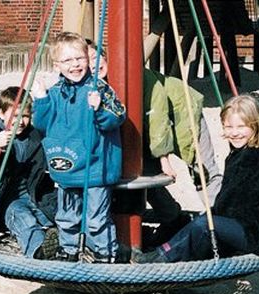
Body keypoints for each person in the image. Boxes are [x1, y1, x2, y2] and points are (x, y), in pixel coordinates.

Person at [131, 94, 259, 263]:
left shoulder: (257, 158)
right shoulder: (241, 154)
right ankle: (165, 251)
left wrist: (212, 217)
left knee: (204, 225)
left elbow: (236, 203)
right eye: (228, 127)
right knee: (202, 221)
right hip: (256, 223)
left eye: (241, 127)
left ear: (255, 126)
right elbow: (231, 197)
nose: (234, 133)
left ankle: (159, 258)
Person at [87, 43, 222, 247]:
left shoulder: (136, 76)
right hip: (146, 127)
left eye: (95, 57)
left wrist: (164, 158)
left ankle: (218, 223)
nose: (92, 65)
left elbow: (157, 115)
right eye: (86, 61)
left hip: (181, 111)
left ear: (105, 56)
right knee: (143, 172)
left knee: (201, 168)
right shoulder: (97, 86)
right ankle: (172, 218)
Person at [31, 32, 126, 263]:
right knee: (66, 216)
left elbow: (118, 117)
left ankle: (105, 255)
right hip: (66, 167)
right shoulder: (54, 94)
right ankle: (69, 250)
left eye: (79, 59)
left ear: (88, 58)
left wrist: (100, 108)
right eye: (67, 61)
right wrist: (41, 99)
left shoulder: (99, 89)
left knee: (96, 218)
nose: (75, 65)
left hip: (95, 169)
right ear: (56, 65)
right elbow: (41, 125)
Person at [0, 86, 58, 260]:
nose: (20, 121)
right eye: (15, 116)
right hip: (7, 202)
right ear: (1, 113)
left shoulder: (34, 135)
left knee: (60, 210)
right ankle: (38, 250)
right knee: (23, 219)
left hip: (36, 196)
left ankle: (63, 238)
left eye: (25, 116)